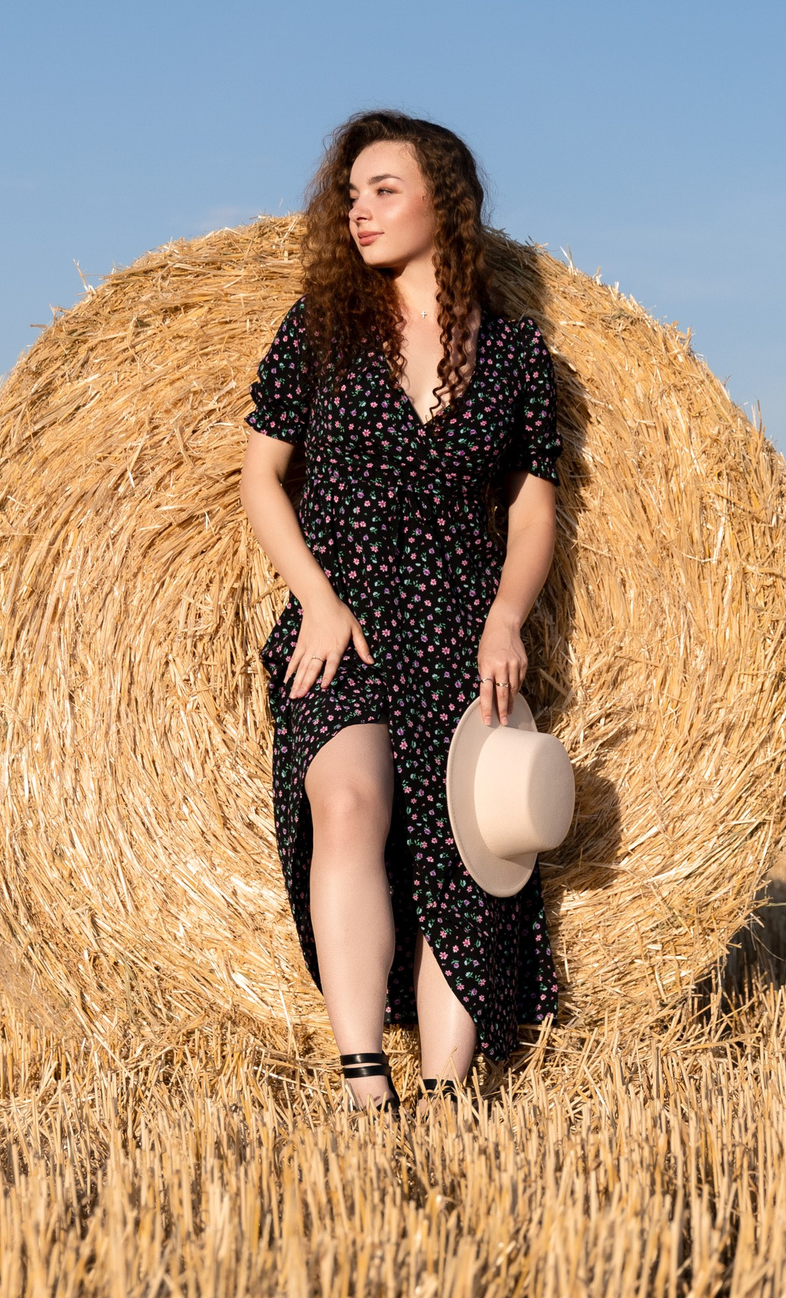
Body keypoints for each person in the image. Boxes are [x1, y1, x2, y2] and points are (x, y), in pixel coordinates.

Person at [238, 111, 563, 1110]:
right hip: (346, 619)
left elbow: (533, 502)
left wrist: (508, 615)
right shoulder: (322, 329)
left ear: (443, 199)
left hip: (461, 626)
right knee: (346, 803)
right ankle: (361, 1073)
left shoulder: (512, 353)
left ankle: (446, 1088)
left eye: (382, 188)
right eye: (350, 194)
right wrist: (318, 603)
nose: (359, 210)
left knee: (467, 856)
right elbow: (260, 476)